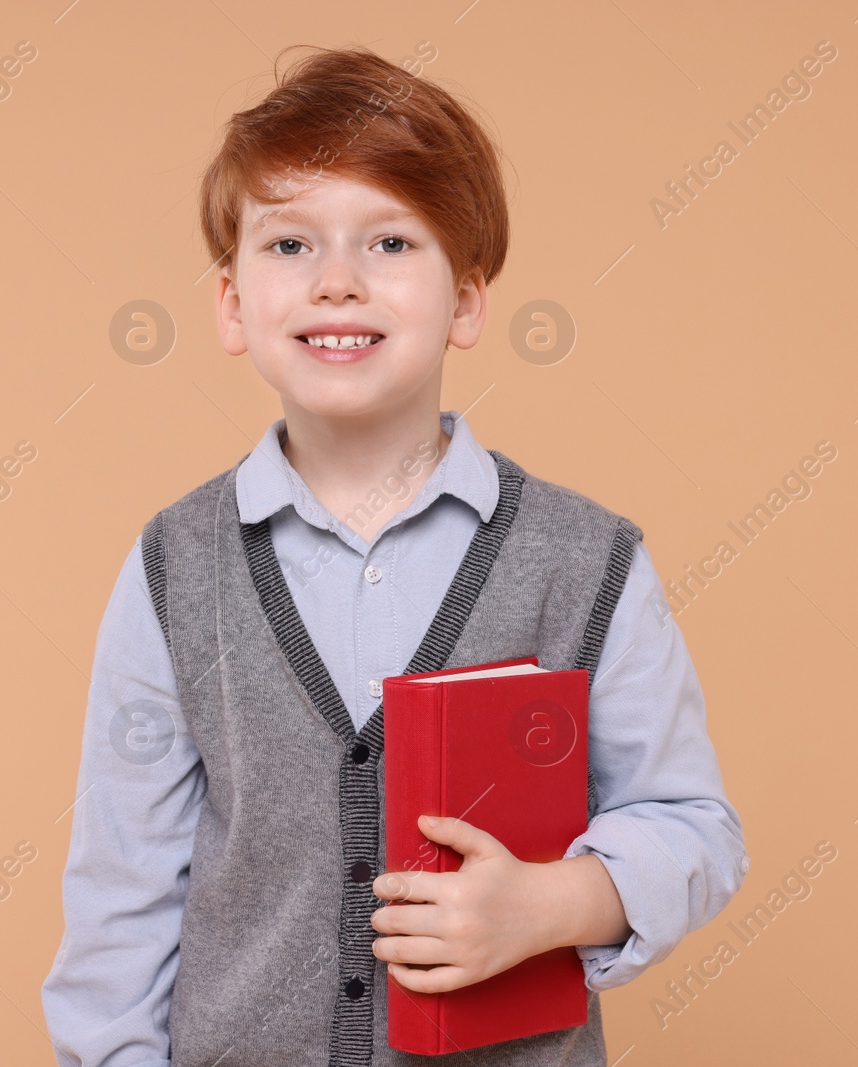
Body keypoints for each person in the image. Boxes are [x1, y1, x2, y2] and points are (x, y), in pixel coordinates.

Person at [41, 44, 748, 1067]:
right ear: (232, 305)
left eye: (388, 242)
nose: (336, 282)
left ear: (465, 300)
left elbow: (692, 825)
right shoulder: (173, 567)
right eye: (288, 246)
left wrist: (553, 900)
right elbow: (122, 891)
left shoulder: (584, 560)